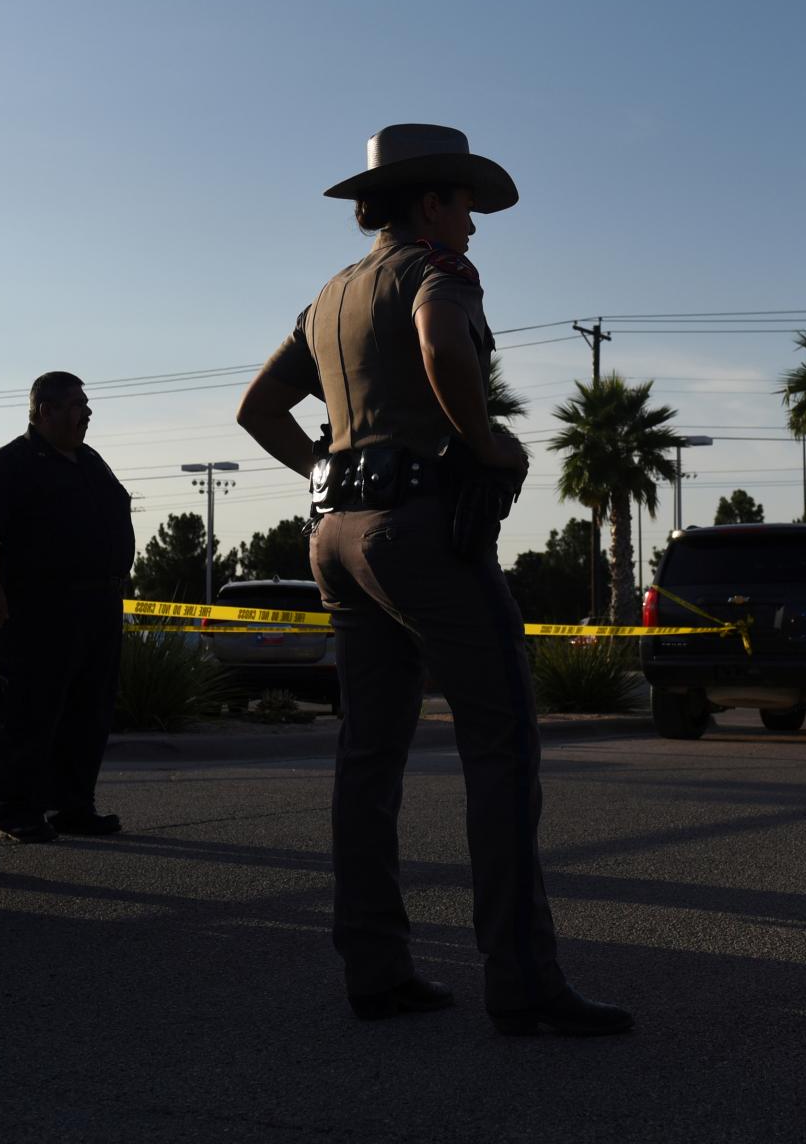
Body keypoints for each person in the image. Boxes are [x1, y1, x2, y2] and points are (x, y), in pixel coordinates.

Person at [235, 124, 631, 1035]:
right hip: (418, 531)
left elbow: (258, 408)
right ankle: (524, 981)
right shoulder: (435, 272)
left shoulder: (329, 296)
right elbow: (446, 351)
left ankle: (374, 966)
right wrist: (488, 444)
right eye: (463, 205)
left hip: (332, 535)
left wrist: (318, 473)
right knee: (501, 745)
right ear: (428, 203)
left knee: (369, 754)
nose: (474, 228)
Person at [0, 372, 134, 844]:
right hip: (36, 608)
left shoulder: (89, 461)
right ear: (46, 411)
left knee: (88, 710)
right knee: (26, 711)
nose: (87, 412)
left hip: (96, 606)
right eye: (78, 404)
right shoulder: (8, 466)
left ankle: (73, 807)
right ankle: (17, 813)